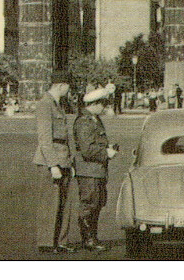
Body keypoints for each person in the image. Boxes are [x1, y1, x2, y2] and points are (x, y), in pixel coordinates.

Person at [33, 69, 76, 254]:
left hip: (63, 159)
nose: (69, 90)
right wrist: (52, 165)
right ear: (60, 85)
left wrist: (68, 162)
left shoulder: (58, 104)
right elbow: (45, 138)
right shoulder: (45, 104)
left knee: (64, 204)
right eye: (68, 86)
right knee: (51, 203)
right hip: (51, 160)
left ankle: (60, 241)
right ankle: (47, 243)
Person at [73, 84, 118, 252]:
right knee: (89, 205)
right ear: (94, 103)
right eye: (103, 104)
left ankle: (92, 237)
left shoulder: (94, 120)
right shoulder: (85, 122)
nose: (105, 107)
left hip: (96, 170)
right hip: (88, 170)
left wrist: (109, 147)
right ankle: (88, 240)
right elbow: (87, 149)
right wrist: (106, 153)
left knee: (97, 203)